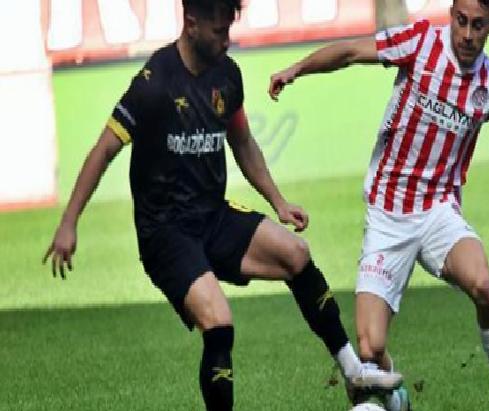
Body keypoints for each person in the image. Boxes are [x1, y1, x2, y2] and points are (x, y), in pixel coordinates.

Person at [42, 0, 402, 410]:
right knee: (218, 322)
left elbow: (242, 141)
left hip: (213, 215)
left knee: (296, 254)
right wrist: (69, 222)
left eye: (229, 29)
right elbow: (104, 150)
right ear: (191, 23)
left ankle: (353, 372)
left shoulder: (227, 76)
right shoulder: (154, 83)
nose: (227, 40)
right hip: (165, 232)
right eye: (219, 31)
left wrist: (278, 201)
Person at [269, 0, 489, 409]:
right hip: (387, 215)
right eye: (461, 21)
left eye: (477, 25)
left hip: (438, 213)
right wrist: (296, 69)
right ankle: (394, 392)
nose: (467, 34)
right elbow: (350, 52)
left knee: (482, 284)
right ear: (451, 14)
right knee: (370, 348)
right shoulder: (419, 44)